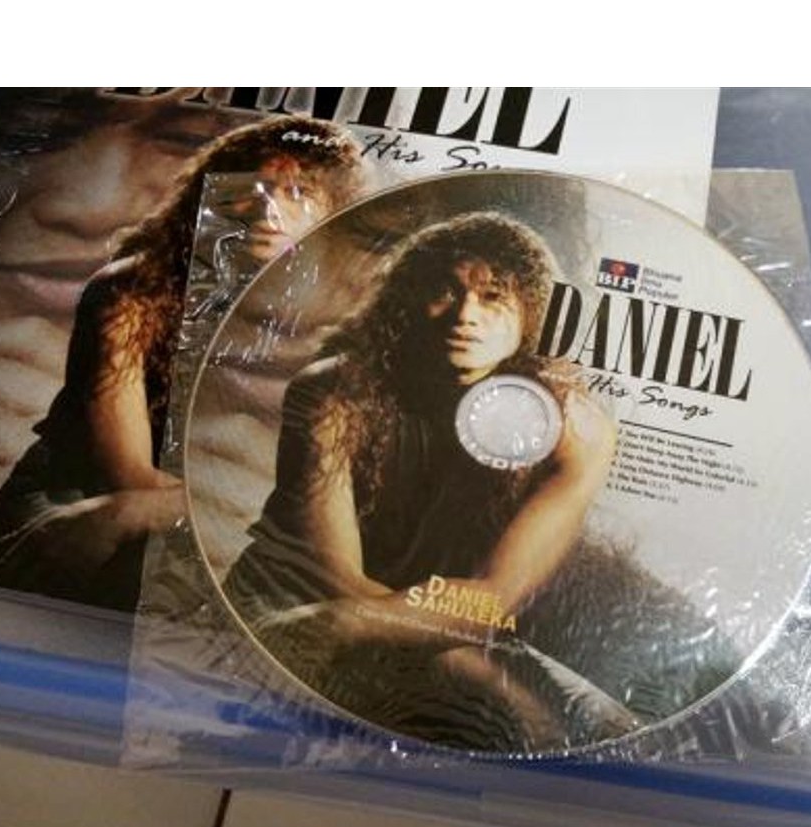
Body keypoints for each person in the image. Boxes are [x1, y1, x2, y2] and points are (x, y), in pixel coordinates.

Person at [223, 212, 663, 751]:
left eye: (494, 296)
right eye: (445, 291)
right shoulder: (335, 393)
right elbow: (339, 586)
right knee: (519, 720)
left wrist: (468, 657)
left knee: (615, 733)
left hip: (443, 624)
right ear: (410, 297)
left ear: (533, 312)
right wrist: (476, 672)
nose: (465, 315)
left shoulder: (576, 429)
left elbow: (496, 596)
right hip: (296, 607)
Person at [0, 115, 365, 608]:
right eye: (255, 185)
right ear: (214, 193)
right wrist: (197, 510)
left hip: (179, 523)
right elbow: (129, 476)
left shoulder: (328, 321)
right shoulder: (134, 289)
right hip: (76, 499)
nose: (268, 207)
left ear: (333, 211)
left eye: (299, 192)